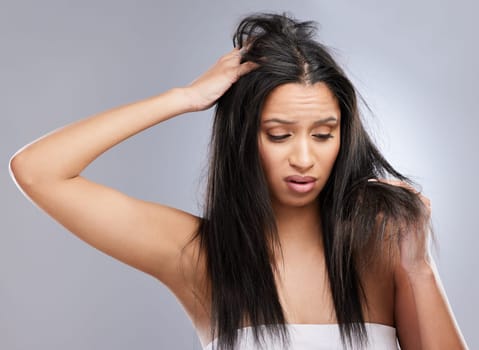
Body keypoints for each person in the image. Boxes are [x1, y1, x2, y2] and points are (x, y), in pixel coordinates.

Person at [9, 11, 468, 350]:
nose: (304, 157)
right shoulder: (199, 255)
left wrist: (418, 265)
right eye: (279, 135)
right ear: (244, 138)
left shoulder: (381, 247)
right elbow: (38, 171)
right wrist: (185, 97)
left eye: (324, 134)